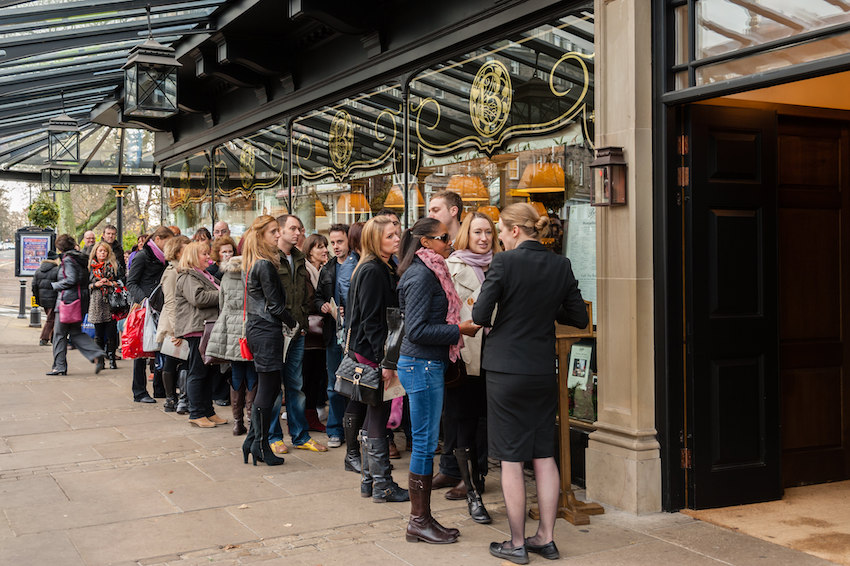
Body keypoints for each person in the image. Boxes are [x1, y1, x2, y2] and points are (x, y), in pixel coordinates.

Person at [472, 203, 588, 563]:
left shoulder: (505, 263)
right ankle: (547, 538)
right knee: (543, 454)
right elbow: (579, 318)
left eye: (501, 232)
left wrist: (514, 307)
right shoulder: (560, 264)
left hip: (507, 370)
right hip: (541, 369)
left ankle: (517, 543)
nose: (499, 239)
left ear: (515, 230)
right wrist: (542, 307)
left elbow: (478, 315)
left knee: (510, 457)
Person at [396, 217, 479, 543]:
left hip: (426, 364)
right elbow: (415, 330)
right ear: (426, 243)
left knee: (427, 442)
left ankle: (423, 518)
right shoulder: (422, 276)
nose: (450, 241)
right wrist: (459, 330)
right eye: (444, 237)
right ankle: (419, 521)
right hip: (421, 365)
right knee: (425, 444)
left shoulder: (432, 272)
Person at [346, 215, 408, 503]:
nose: (397, 239)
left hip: (374, 352)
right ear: (375, 240)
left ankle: (370, 481)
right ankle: (382, 484)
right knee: (377, 416)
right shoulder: (372, 270)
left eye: (397, 234)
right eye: (390, 236)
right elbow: (371, 321)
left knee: (375, 415)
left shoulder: (382, 266)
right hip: (373, 354)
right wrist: (385, 362)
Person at [444, 211, 500, 523]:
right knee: (462, 418)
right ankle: (469, 480)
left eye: (488, 233)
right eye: (477, 232)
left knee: (484, 420)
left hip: (496, 352)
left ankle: (479, 473)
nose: (483, 238)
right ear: (467, 234)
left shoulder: (503, 264)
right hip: (465, 352)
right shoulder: (452, 266)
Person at [269, 214, 327, 453]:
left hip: (297, 332)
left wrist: (302, 324)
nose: (298, 233)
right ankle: (273, 437)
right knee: (273, 388)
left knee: (296, 385)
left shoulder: (300, 259)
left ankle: (300, 435)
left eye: (300, 229)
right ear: (279, 231)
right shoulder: (270, 259)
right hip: (275, 331)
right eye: (292, 228)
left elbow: (306, 296)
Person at [243, 215, 298, 465]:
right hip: (265, 330)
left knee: (267, 388)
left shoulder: (258, 263)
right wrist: (293, 322)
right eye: (273, 231)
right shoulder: (263, 264)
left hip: (260, 329)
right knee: (269, 388)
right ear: (261, 236)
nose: (278, 235)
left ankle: (255, 441)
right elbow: (275, 306)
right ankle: (260, 445)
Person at [174, 240, 225, 428]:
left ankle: (208, 411)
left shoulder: (203, 275)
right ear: (194, 257)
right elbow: (199, 298)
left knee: (208, 372)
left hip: (207, 329)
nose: (208, 258)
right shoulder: (188, 276)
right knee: (197, 372)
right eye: (204, 254)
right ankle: (196, 413)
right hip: (197, 330)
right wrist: (224, 293)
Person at [205, 251, 257, 435]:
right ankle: (251, 419)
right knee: (251, 372)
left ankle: (237, 422)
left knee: (236, 372)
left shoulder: (226, 276)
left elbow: (221, 303)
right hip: (249, 327)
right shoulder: (252, 274)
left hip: (230, 329)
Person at [315, 224, 356, 453]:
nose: (335, 246)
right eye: (332, 242)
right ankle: (335, 430)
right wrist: (323, 306)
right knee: (334, 383)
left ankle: (353, 428)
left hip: (354, 333)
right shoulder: (328, 269)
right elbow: (318, 296)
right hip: (334, 333)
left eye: (339, 242)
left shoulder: (359, 265)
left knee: (355, 383)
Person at [127, 226, 174, 403]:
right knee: (141, 351)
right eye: (169, 241)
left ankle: (159, 389)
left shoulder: (164, 258)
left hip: (160, 306)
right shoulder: (142, 256)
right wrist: (144, 300)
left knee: (161, 348)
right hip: (145, 308)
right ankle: (139, 391)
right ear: (160, 239)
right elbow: (131, 282)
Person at [48, 234, 106, 376]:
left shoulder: (67, 259)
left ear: (60, 247)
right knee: (75, 332)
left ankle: (59, 366)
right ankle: (96, 353)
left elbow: (71, 279)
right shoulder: (79, 258)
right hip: (79, 301)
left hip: (67, 301)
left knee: (59, 335)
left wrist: (55, 285)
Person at [155, 235, 191, 413]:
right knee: (171, 360)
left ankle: (182, 398)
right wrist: (178, 330)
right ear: (177, 251)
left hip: (183, 322)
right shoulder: (171, 272)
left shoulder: (184, 269)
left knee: (182, 361)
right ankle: (171, 399)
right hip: (173, 324)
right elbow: (170, 303)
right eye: (186, 248)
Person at [303, 233, 329, 433]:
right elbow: (309, 301)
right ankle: (307, 416)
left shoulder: (323, 271)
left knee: (317, 376)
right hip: (309, 333)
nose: (325, 250)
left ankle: (310, 414)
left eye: (325, 246)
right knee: (308, 377)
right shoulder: (306, 272)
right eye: (319, 246)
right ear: (310, 250)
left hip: (320, 334)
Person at [207, 235, 238, 406]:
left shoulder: (238, 268)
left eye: (230, 251)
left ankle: (226, 392)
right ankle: (218, 393)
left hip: (232, 316)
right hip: (218, 317)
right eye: (224, 252)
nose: (227, 254)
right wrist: (222, 268)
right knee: (219, 359)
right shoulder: (213, 271)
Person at [87, 241, 120, 369]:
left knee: (111, 332)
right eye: (100, 251)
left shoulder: (114, 266)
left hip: (111, 301)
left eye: (105, 251)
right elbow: (85, 285)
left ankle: (112, 359)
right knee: (98, 333)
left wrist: (111, 283)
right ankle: (100, 360)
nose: (102, 253)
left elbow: (122, 281)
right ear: (96, 252)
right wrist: (95, 285)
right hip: (96, 301)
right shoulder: (91, 267)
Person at [32, 250, 60, 346]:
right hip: (53, 298)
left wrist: (37, 298)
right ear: (55, 259)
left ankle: (52, 338)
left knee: (51, 318)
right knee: (51, 319)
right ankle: (44, 338)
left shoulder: (39, 270)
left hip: (43, 299)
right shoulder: (57, 270)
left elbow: (34, 285)